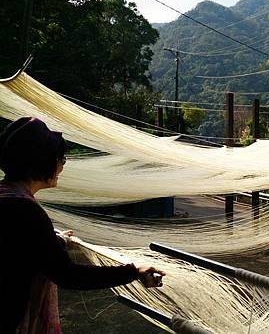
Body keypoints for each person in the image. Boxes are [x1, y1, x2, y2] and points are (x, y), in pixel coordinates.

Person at [0, 117, 166, 333]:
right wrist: (133, 272)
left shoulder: (7, 197)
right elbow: (67, 275)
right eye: (61, 159)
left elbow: (22, 249)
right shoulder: (25, 210)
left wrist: (57, 241)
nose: (61, 166)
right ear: (42, 161)